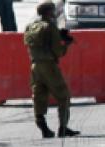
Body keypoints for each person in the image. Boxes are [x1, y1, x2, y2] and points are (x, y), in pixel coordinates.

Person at [23, 2, 78, 139]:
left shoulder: (31, 26)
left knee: (39, 96)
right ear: (49, 12)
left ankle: (43, 127)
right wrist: (66, 44)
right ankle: (63, 127)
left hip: (35, 66)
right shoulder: (50, 27)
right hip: (49, 65)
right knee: (63, 96)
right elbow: (58, 51)